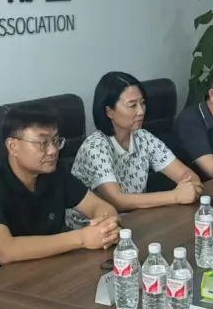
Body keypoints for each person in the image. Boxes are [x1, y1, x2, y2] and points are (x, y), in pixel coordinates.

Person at [0, 104, 119, 280]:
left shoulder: (55, 172)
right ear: (12, 146)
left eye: (56, 141)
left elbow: (100, 207)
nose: (53, 151)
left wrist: (106, 228)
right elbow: (5, 251)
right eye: (43, 143)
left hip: (43, 271)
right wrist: (82, 238)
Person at [71, 72, 202, 213]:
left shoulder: (143, 137)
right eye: (132, 105)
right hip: (96, 224)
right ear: (109, 112)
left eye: (142, 103)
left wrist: (191, 187)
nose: (141, 111)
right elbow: (117, 201)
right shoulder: (94, 148)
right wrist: (175, 196)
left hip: (137, 217)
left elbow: (188, 176)